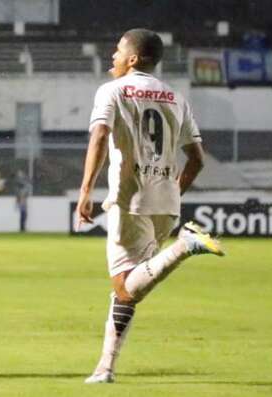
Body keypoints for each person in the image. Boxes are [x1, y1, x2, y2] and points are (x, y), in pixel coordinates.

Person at [76, 28, 225, 384]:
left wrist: (85, 191)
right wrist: (173, 191)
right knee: (130, 288)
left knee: (126, 286)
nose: (112, 57)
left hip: (130, 199)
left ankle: (185, 246)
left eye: (116, 51)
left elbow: (98, 136)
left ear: (132, 58)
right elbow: (197, 160)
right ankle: (105, 368)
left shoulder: (111, 91)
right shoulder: (176, 97)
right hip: (166, 203)